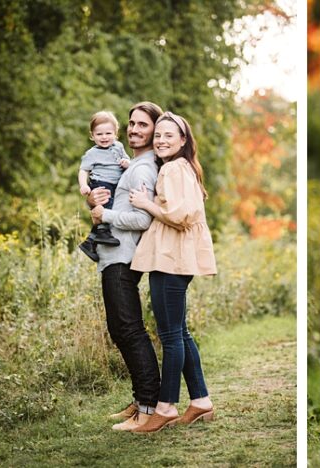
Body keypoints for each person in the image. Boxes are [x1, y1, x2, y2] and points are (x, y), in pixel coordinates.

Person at [126, 111, 217, 433]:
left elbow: (180, 215)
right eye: (158, 135)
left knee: (170, 336)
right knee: (180, 332)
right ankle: (201, 401)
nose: (162, 140)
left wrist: (145, 203)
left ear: (182, 140)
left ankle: (165, 407)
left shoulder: (175, 169)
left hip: (171, 259)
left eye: (169, 135)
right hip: (174, 258)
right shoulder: (179, 168)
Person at [85, 102, 164, 431]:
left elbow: (143, 218)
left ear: (154, 131)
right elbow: (108, 200)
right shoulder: (127, 165)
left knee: (128, 329)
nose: (133, 129)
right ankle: (141, 399)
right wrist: (95, 203)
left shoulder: (143, 168)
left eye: (142, 125)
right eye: (131, 124)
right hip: (111, 255)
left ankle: (148, 407)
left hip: (123, 256)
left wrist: (107, 216)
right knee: (121, 329)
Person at [78, 111, 131, 259]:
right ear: (92, 135)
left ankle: (90, 243)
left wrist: (127, 163)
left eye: (108, 133)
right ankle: (103, 232)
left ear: (115, 133)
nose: (104, 137)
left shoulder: (119, 147)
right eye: (99, 134)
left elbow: (128, 162)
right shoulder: (91, 153)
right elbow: (83, 170)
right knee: (107, 207)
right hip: (101, 182)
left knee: (114, 206)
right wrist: (83, 185)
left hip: (117, 184)